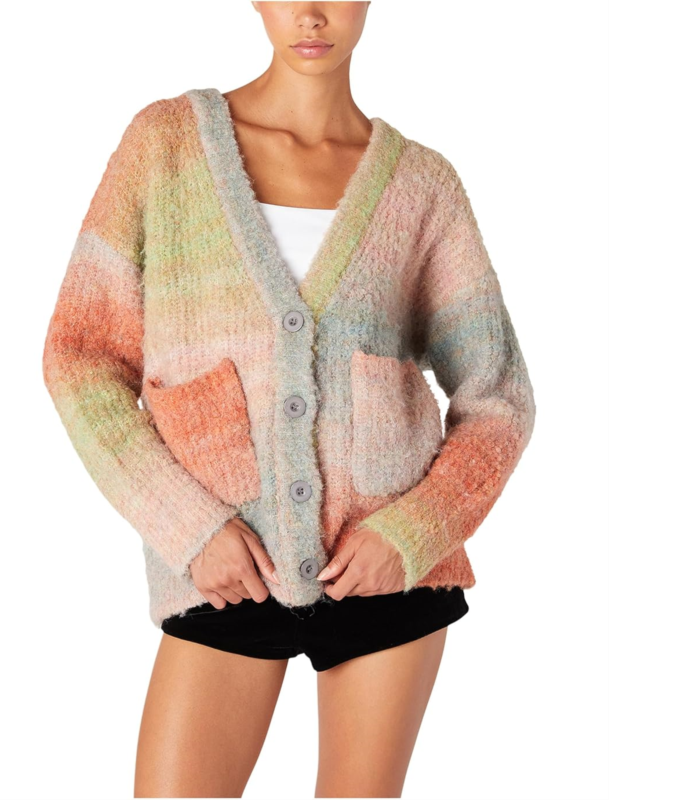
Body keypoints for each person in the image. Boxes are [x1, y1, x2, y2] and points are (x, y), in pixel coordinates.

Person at [42, 2, 535, 797]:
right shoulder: (166, 146)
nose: (310, 13)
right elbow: (80, 358)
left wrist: (413, 532)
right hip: (223, 568)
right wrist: (188, 527)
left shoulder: (422, 185)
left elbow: (500, 397)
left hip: (387, 570)